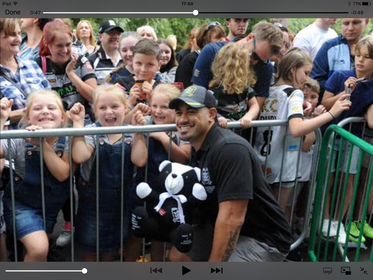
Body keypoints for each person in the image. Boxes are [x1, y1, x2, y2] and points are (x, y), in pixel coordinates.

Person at [166, 85, 292, 262]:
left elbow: (232, 219)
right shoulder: (199, 145)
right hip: (222, 224)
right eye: (179, 113)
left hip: (263, 239)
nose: (183, 119)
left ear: (211, 114)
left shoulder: (230, 149)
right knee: (178, 256)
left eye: (192, 111)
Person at [253, 48, 352, 219]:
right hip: (283, 167)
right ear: (292, 70)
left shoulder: (269, 90)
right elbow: (297, 129)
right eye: (305, 72)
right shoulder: (295, 93)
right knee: (277, 217)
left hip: (261, 160)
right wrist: (331, 114)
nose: (307, 78)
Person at [68, 84, 148, 261]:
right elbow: (80, 155)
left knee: (113, 247)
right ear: (94, 111)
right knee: (89, 248)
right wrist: (78, 124)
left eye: (114, 106)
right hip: (93, 206)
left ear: (125, 108)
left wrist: (139, 132)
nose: (108, 112)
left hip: (122, 204)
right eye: (102, 108)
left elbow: (140, 160)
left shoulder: (130, 133)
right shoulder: (91, 132)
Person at [0, 90, 71, 261]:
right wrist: (2, 120)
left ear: (62, 117)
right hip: (21, 207)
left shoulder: (68, 139)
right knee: (39, 249)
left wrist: (41, 143)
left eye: (51, 107)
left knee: (37, 252)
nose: (45, 111)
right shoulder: (20, 139)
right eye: (37, 108)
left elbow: (63, 174)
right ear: (28, 117)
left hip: (50, 209)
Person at [127, 84, 191, 261]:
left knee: (160, 238)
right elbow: (139, 160)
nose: (158, 111)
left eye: (164, 107)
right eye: (154, 106)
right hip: (143, 189)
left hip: (169, 194)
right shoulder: (146, 123)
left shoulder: (181, 128)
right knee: (135, 234)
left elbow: (183, 158)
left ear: (176, 109)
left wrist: (162, 137)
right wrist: (139, 130)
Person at [321, 35, 373, 243]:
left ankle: (337, 222)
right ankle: (324, 220)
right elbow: (325, 103)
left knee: (348, 180)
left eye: (366, 57)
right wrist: (345, 92)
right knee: (328, 178)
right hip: (332, 134)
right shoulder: (339, 75)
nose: (360, 60)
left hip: (353, 139)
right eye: (358, 55)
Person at [192, 22, 284, 109]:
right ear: (250, 38)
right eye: (254, 56)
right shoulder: (212, 52)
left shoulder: (266, 67)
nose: (255, 63)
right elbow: (197, 95)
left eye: (261, 61)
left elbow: (256, 108)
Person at [37, 19, 97, 113]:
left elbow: (95, 98)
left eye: (68, 45)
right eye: (59, 46)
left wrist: (71, 74)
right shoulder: (38, 65)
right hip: (53, 121)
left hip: (82, 120)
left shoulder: (81, 61)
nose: (65, 50)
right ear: (47, 44)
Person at [0, 18, 50, 126]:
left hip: (43, 138)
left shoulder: (32, 65)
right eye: (12, 34)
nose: (18, 39)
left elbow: (52, 100)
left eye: (19, 33)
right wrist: (22, 113)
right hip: (10, 140)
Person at [311, 18, 369, 96]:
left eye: (356, 23)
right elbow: (315, 80)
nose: (350, 28)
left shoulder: (371, 47)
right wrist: (341, 88)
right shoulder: (329, 47)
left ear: (366, 22)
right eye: (346, 23)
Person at [209, 43, 259, 129]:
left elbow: (255, 105)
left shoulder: (245, 87)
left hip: (242, 135)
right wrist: (219, 118)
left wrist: (248, 116)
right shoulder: (214, 90)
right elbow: (207, 110)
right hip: (223, 135)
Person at [175, 23, 226, 89]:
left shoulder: (224, 60)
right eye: (218, 38)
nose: (223, 41)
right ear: (205, 41)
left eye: (223, 37)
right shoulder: (190, 60)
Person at [115, 39, 162, 107]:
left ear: (159, 65)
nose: (143, 69)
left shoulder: (161, 88)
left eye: (150, 64)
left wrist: (151, 99)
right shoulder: (121, 85)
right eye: (139, 63)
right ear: (132, 62)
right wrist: (130, 101)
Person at [88, 20, 124, 84]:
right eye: (111, 33)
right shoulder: (91, 61)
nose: (116, 37)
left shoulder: (126, 58)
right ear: (101, 37)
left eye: (118, 34)